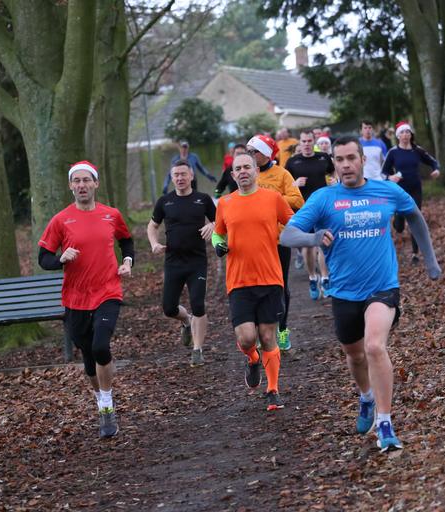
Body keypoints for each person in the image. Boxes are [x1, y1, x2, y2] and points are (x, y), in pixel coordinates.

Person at [280, 136, 441, 452]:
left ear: (363, 160)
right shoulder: (324, 198)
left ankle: (385, 422)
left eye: (351, 158)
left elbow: (414, 216)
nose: (346, 165)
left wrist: (431, 261)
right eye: (339, 160)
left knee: (374, 346)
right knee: (354, 355)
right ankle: (366, 396)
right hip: (344, 291)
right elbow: (287, 234)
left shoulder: (387, 191)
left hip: (383, 286)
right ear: (334, 163)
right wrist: (313, 238)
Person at [38, 161, 134, 439]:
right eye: (77, 181)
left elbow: (127, 241)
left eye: (86, 180)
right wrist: (61, 259)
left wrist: (128, 261)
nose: (82, 185)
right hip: (76, 298)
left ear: (95, 184)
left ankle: (107, 406)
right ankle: (101, 398)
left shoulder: (111, 215)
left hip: (107, 291)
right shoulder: (60, 220)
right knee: (90, 357)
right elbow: (43, 258)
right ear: (71, 186)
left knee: (101, 346)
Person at [212, 151, 294, 411]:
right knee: (247, 337)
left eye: (247, 167)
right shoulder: (225, 203)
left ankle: (273, 390)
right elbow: (217, 233)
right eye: (238, 169)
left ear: (256, 171)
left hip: (270, 277)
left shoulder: (273, 199)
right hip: (239, 280)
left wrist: (309, 234)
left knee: (268, 335)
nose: (243, 172)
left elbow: (293, 222)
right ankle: (252, 358)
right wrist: (218, 245)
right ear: (233, 175)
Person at [147, 160, 216, 367]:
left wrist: (213, 225)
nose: (180, 178)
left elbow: (222, 221)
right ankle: (186, 321)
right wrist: (154, 243)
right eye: (176, 175)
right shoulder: (165, 201)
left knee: (198, 304)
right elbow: (152, 226)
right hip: (173, 262)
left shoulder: (203, 199)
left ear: (191, 176)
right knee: (169, 308)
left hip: (197, 261)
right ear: (172, 177)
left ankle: (197, 350)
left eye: (183, 174)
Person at [246, 134, 304, 351]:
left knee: (279, 286)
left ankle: (283, 330)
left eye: (254, 151)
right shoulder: (248, 173)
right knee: (256, 287)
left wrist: (272, 198)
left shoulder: (282, 174)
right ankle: (261, 329)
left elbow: (298, 200)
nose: (250, 155)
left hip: (278, 241)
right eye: (249, 151)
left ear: (266, 153)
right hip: (253, 241)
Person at [285, 130, 334, 302]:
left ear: (313, 142)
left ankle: (325, 278)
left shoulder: (323, 158)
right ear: (300, 142)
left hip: (323, 207)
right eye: (303, 141)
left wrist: (334, 182)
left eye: (309, 141)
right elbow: (285, 186)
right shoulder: (292, 162)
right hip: (303, 209)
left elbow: (333, 172)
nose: (306, 144)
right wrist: (295, 184)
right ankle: (313, 277)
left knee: (323, 243)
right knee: (307, 246)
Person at [382, 121, 440, 265]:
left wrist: (436, 169)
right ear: (398, 136)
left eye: (407, 132)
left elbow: (433, 161)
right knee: (400, 227)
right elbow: (384, 172)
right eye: (402, 132)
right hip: (400, 191)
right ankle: (397, 219)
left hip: (415, 190)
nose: (405, 135)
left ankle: (415, 253)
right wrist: (390, 177)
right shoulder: (393, 152)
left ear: (411, 134)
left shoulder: (417, 150)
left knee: (415, 220)